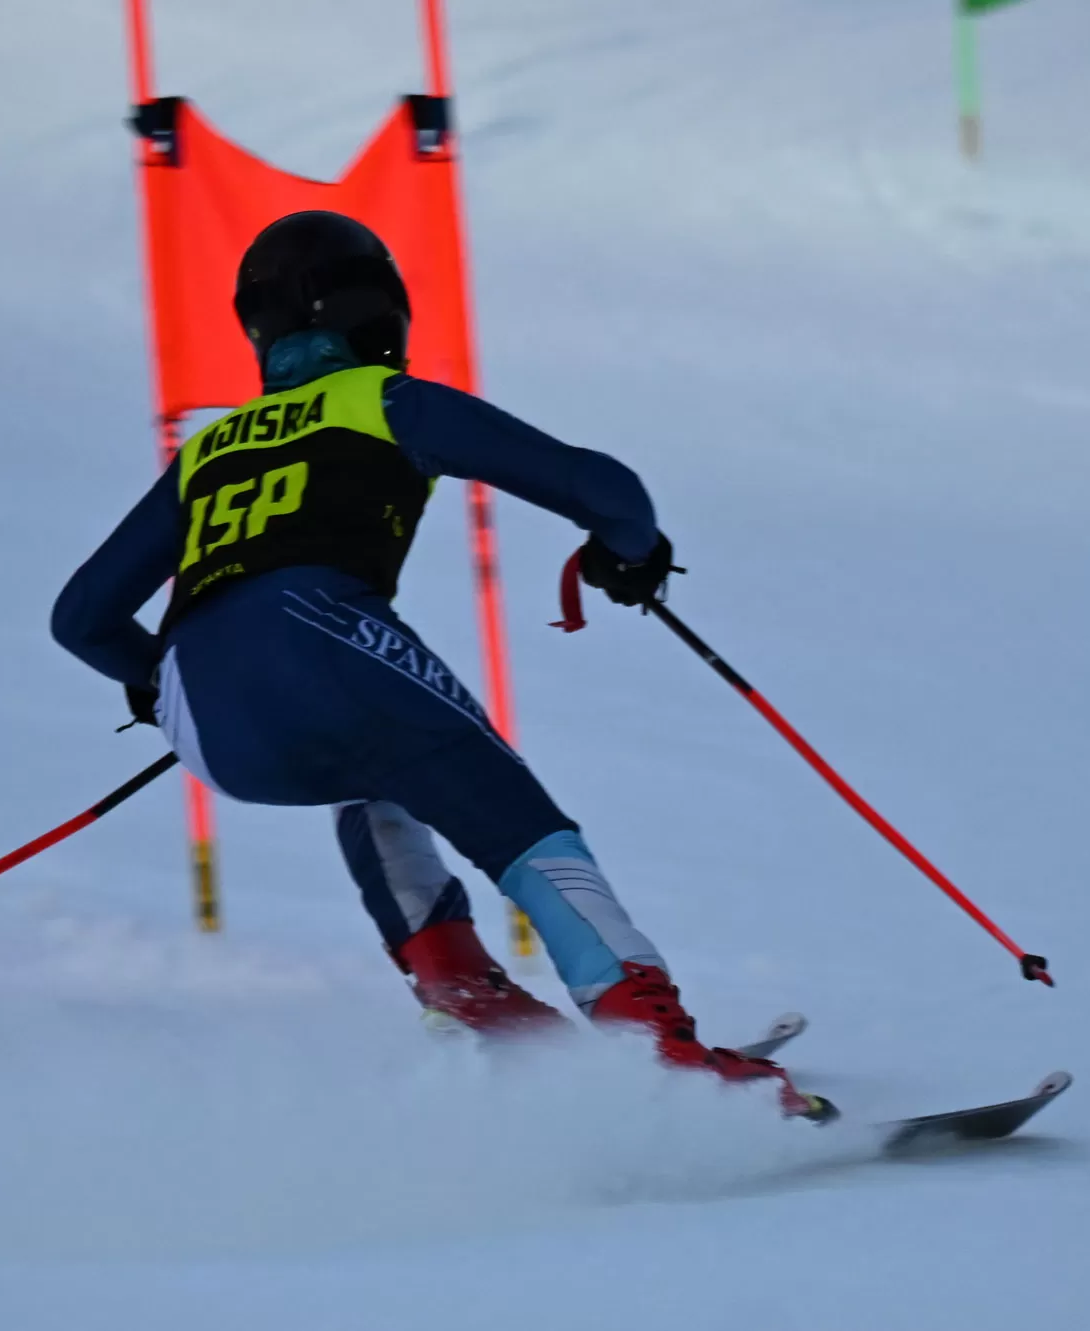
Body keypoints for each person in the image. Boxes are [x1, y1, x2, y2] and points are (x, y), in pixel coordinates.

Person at [52, 210, 828, 1119]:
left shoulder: (207, 450)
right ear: (374, 309)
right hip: (324, 636)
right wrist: (630, 551)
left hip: (206, 715)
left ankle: (474, 1003)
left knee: (374, 776)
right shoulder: (384, 400)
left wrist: (163, 683)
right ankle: (658, 1053)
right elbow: (601, 485)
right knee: (519, 826)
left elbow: (81, 618)